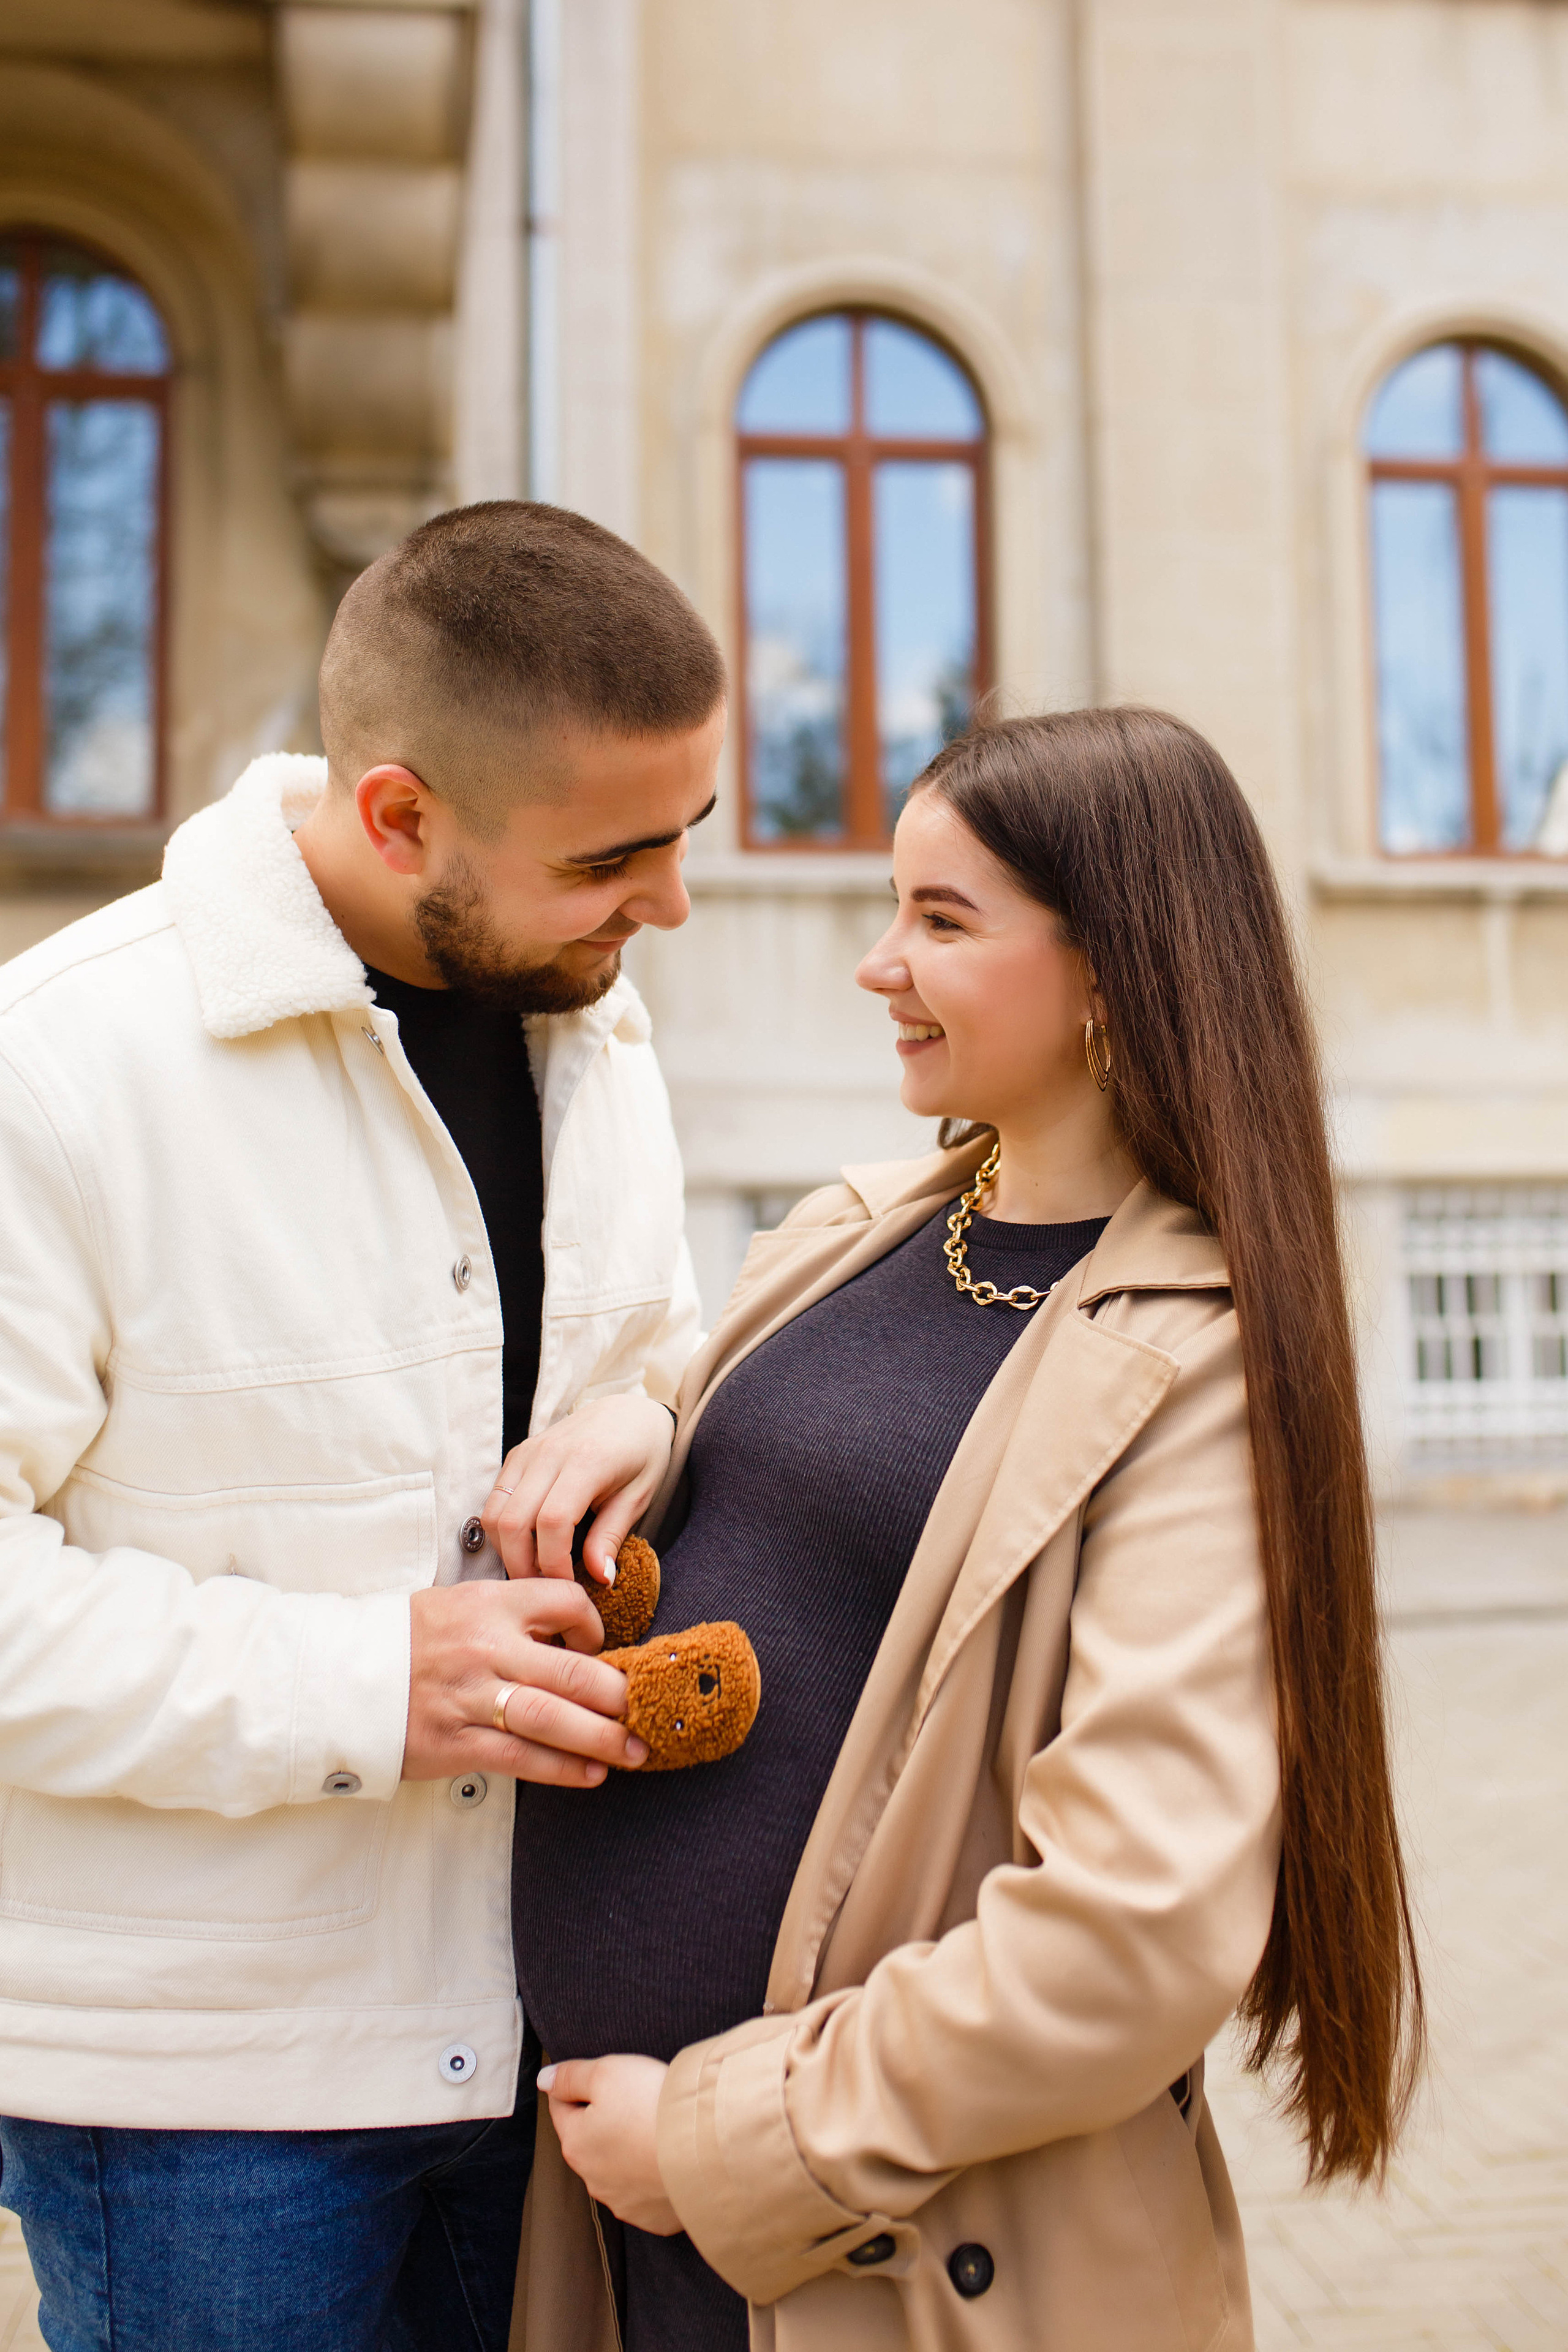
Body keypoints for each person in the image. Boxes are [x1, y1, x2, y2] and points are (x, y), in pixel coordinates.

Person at [496, 707, 1424, 2352]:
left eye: (941, 919)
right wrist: (659, 1415)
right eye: (891, 909)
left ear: (1111, 968)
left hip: (893, 2255)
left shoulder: (1198, 1364)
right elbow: (804, 1476)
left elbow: (1130, 1931)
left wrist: (719, 2139)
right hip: (624, 2234)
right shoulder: (854, 1229)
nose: (880, 966)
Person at [0, 502, 725, 2352]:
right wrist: (370, 1681)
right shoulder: (57, 1066)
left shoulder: (597, 1023)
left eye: (688, 835)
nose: (670, 906)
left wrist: (649, 1413)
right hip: (202, 2108)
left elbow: (654, 1345)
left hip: (552, 2038)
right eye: (615, 856)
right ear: (401, 816)